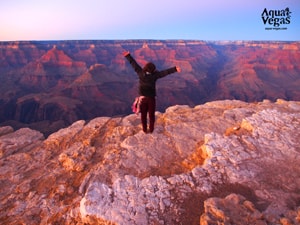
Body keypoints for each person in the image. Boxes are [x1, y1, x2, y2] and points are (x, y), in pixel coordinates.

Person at [123, 51, 181, 133]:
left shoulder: (140, 73)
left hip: (142, 99)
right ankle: (151, 129)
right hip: (151, 99)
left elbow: (134, 65)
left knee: (143, 115)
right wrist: (174, 69)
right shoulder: (155, 76)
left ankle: (144, 129)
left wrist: (128, 56)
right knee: (151, 115)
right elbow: (164, 73)